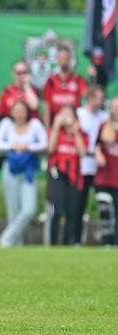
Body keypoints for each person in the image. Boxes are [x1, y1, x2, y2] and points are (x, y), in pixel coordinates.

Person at [0, 100, 48, 247]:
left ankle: (6, 237)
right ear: (11, 113)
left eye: (22, 110)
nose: (19, 113)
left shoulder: (34, 124)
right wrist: (13, 146)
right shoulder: (6, 125)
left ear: (27, 112)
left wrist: (28, 147)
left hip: (28, 169)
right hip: (10, 168)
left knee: (29, 209)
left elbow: (44, 143)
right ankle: (16, 246)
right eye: (16, 110)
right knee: (13, 210)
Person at [46, 106, 88, 245]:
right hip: (57, 174)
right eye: (63, 115)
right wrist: (56, 127)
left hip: (74, 176)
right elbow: (51, 149)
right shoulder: (56, 132)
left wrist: (75, 132)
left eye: (69, 115)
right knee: (57, 211)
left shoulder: (81, 133)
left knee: (72, 211)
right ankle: (52, 243)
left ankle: (67, 243)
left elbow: (82, 152)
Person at [76, 85, 107, 244]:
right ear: (90, 98)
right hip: (82, 166)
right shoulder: (79, 114)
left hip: (101, 167)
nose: (101, 102)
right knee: (79, 205)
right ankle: (76, 240)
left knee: (104, 205)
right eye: (98, 98)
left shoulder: (105, 117)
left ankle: (107, 239)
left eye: (102, 99)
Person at [42, 45, 88, 129]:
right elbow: (47, 106)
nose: (64, 61)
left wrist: (92, 78)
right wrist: (47, 128)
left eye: (66, 58)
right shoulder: (51, 81)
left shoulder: (78, 80)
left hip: (73, 123)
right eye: (61, 58)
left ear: (70, 59)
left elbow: (87, 96)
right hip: (56, 123)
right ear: (57, 59)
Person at [94, 97, 118, 247]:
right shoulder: (104, 126)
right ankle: (107, 242)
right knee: (105, 212)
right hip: (104, 178)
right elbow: (96, 145)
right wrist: (98, 154)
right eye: (115, 106)